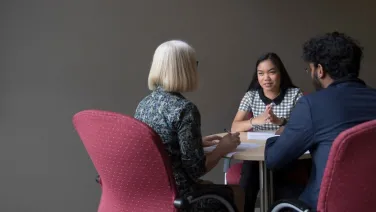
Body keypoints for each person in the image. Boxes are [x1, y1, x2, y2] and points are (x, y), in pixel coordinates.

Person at [265, 31, 376, 210]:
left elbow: (274, 159)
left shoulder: (312, 105)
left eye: (310, 69)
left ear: (320, 70)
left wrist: (279, 135)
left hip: (324, 205)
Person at [134, 40, 241, 212]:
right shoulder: (185, 109)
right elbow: (196, 170)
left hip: (152, 192)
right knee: (237, 193)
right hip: (179, 195)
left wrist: (197, 142)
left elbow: (162, 145)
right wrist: (221, 149)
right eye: (194, 64)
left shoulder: (144, 104)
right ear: (183, 69)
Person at [231, 52, 305, 211]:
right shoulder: (250, 96)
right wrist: (255, 120)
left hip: (284, 152)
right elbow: (234, 127)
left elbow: (302, 126)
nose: (266, 78)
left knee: (282, 187)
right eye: (261, 73)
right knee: (249, 179)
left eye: (271, 72)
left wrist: (281, 122)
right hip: (256, 154)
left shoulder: (295, 94)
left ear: (280, 73)